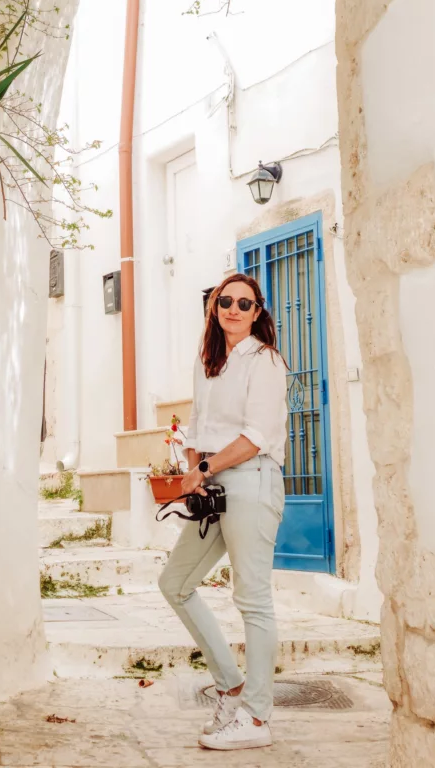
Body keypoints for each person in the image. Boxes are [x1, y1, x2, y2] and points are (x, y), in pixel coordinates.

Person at [158, 272, 287, 751]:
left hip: (252, 481)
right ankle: (230, 684)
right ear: (215, 306)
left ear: (257, 313)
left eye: (245, 304)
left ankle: (256, 717)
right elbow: (196, 423)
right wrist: (194, 470)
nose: (234, 309)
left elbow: (257, 434)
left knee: (252, 599)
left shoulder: (266, 361)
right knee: (175, 582)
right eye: (226, 301)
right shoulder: (208, 358)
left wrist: (205, 467)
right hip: (213, 485)